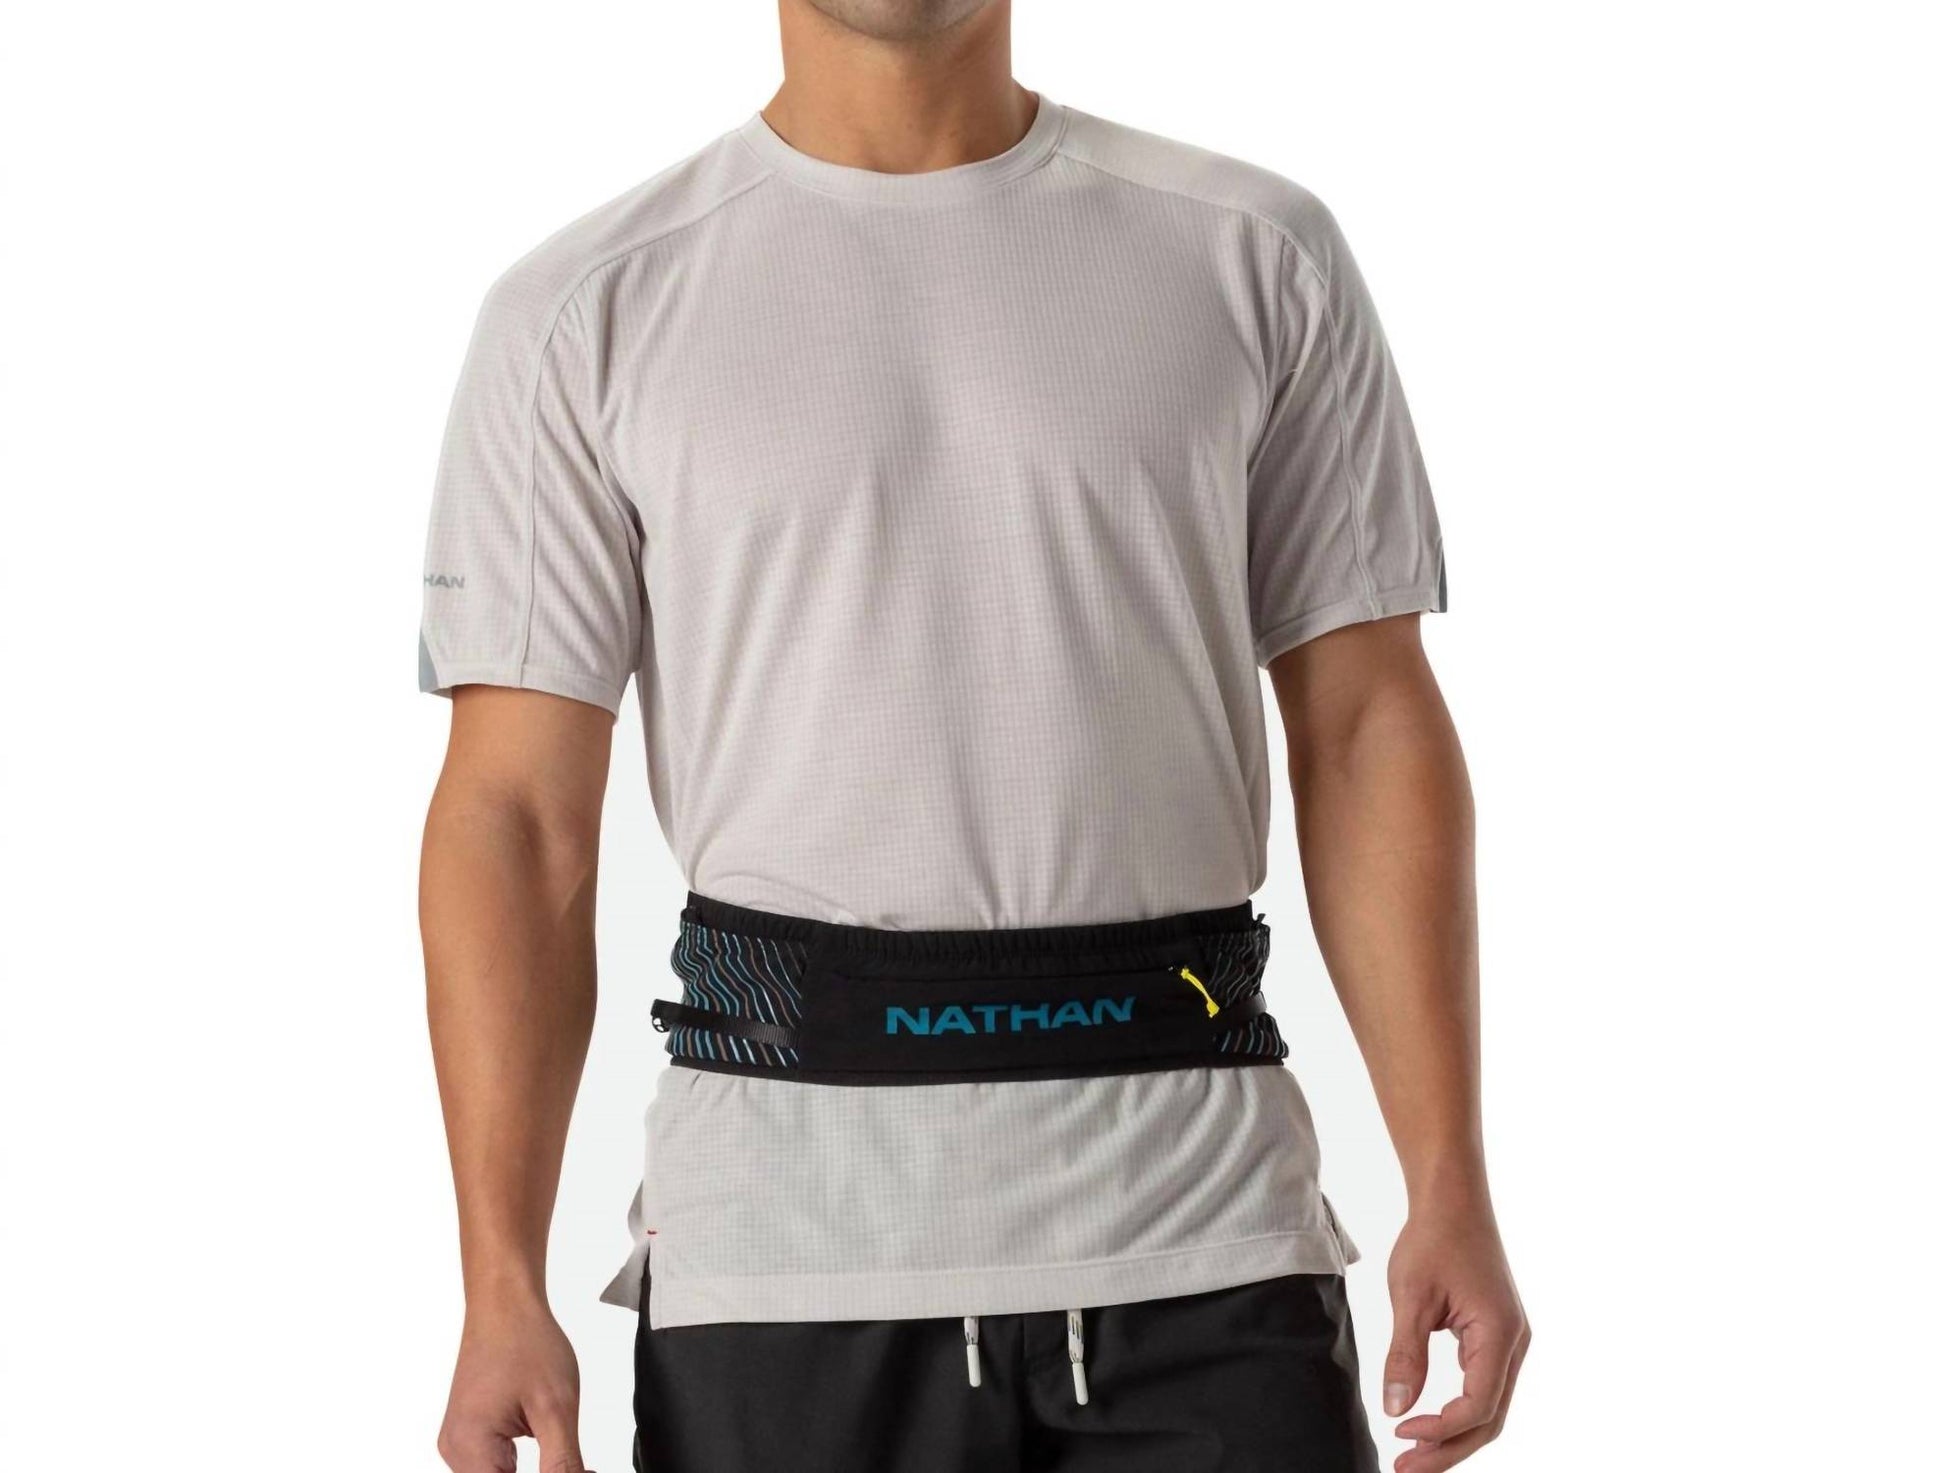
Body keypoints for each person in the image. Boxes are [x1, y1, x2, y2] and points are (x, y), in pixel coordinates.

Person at [418, 1, 1528, 1469]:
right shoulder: (586, 309)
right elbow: (516, 818)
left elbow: (1367, 724)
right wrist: (499, 1281)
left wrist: (1449, 1179)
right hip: (782, 1267)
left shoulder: (1253, 252)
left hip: (1203, 1243)